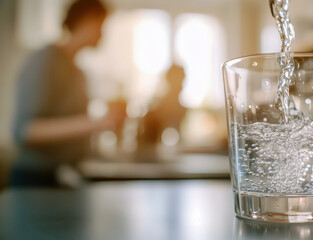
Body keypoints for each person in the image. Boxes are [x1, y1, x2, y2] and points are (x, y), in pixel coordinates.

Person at [11, 0, 125, 187]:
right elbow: (26, 131)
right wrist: (96, 123)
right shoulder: (46, 59)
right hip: (35, 180)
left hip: (65, 176)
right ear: (88, 21)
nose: (103, 34)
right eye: (101, 26)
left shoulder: (78, 71)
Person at [140, 64, 187, 145]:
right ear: (169, 80)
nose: (181, 85)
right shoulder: (155, 108)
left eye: (182, 80)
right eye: (178, 80)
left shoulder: (182, 109)